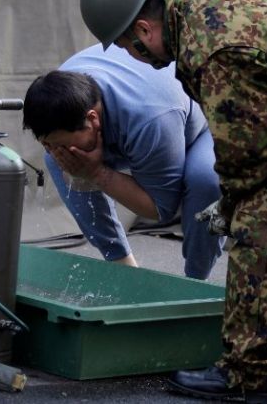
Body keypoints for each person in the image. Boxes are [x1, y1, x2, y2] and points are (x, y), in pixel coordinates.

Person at [80, 0, 267, 404]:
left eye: (129, 47)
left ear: (145, 31)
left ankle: (247, 372)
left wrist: (232, 208)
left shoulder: (209, 46)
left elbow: (250, 155)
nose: (136, 57)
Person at [23, 43, 225, 280]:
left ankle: (196, 281)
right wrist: (69, 160)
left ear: (92, 119)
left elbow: (160, 210)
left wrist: (98, 173)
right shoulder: (60, 95)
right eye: (47, 144)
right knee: (60, 163)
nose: (56, 150)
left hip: (204, 123)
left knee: (208, 180)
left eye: (61, 144)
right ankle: (124, 268)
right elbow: (57, 147)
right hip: (140, 116)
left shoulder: (149, 118)